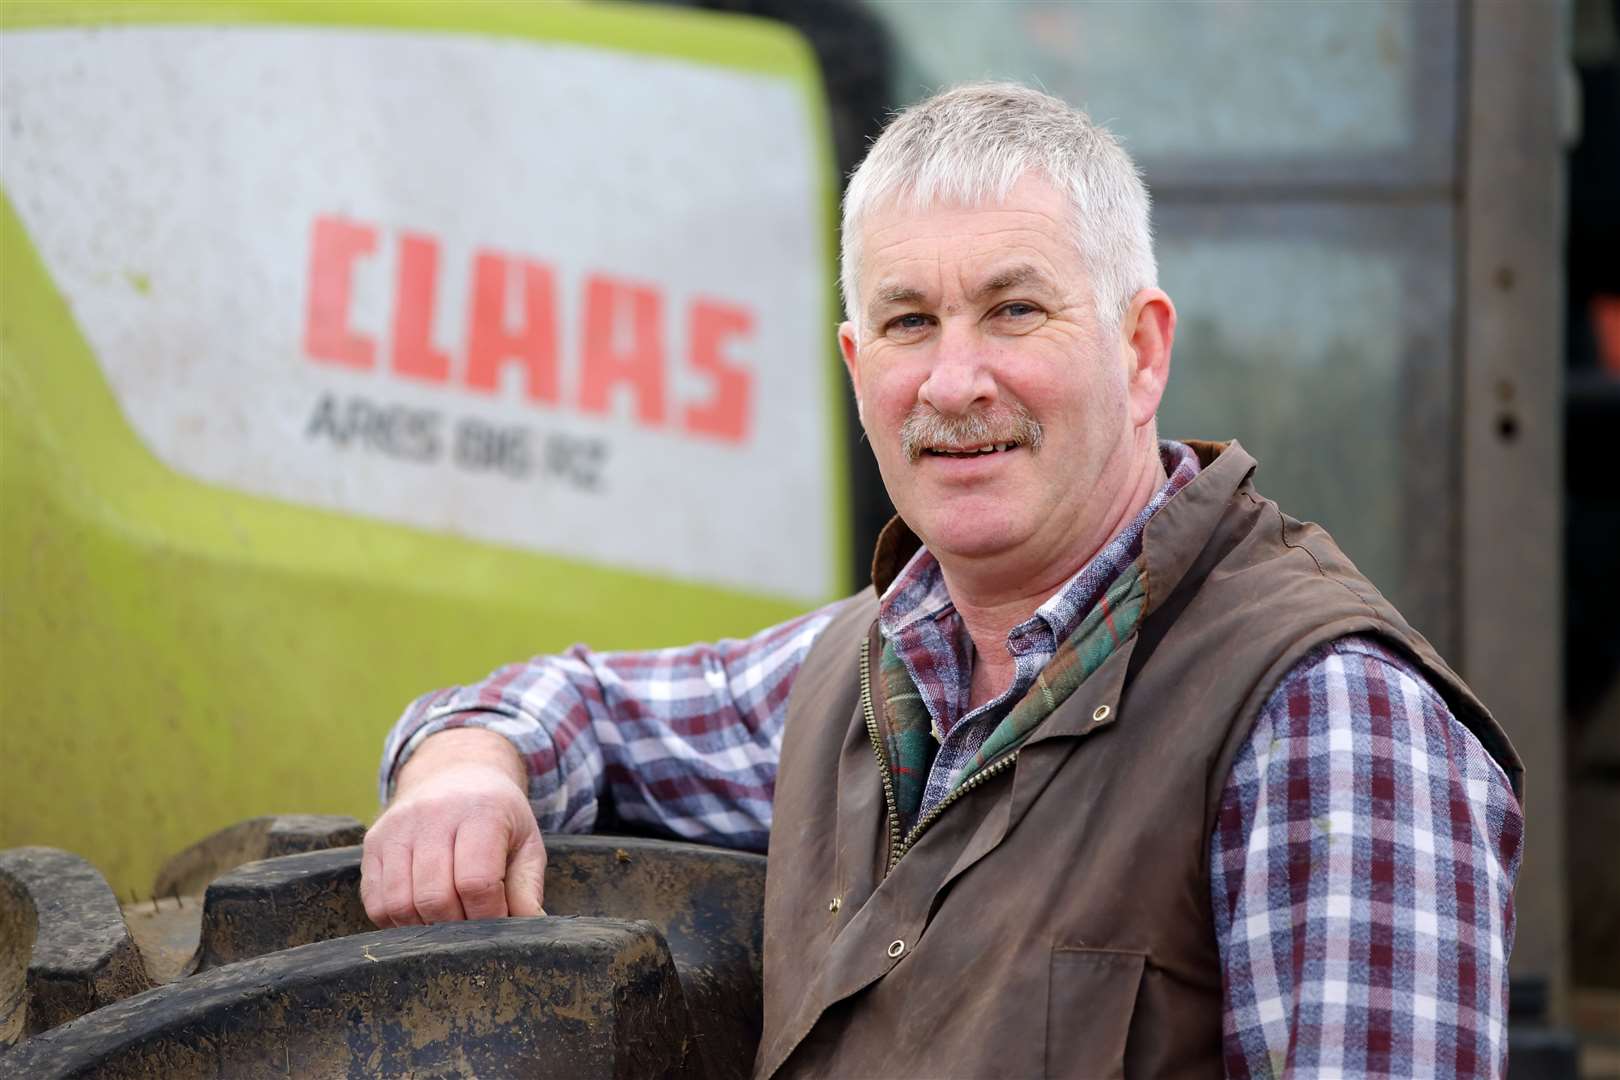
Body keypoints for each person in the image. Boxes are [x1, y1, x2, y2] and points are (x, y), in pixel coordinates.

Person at [363, 82, 1524, 1078]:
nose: (954, 381)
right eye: (909, 322)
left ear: (1141, 350)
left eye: (1014, 309)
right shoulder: (875, 668)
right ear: (857, 367)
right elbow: (587, 708)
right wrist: (464, 771)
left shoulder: (1328, 718)